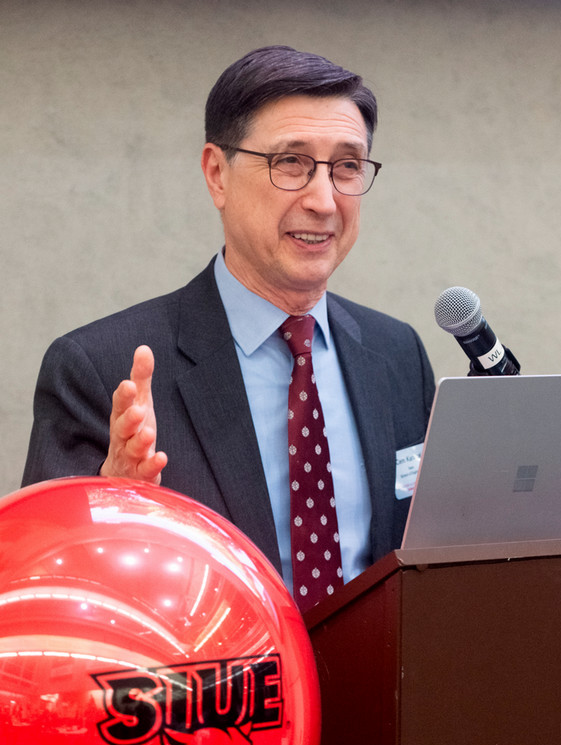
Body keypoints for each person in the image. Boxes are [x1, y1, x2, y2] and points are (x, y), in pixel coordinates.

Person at [22, 45, 435, 608]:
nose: (324, 200)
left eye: (347, 166)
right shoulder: (98, 368)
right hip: (220, 692)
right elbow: (51, 594)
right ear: (217, 175)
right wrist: (117, 506)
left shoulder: (396, 354)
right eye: (290, 163)